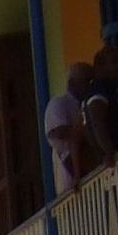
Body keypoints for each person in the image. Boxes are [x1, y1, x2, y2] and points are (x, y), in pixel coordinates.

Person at [44, 61, 94, 192]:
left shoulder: (88, 104)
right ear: (72, 83)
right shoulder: (59, 103)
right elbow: (59, 132)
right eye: (87, 81)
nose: (90, 86)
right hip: (70, 180)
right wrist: (83, 130)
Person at [83, 45, 118, 169]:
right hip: (115, 163)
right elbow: (97, 122)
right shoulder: (98, 89)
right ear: (99, 67)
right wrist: (108, 152)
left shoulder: (105, 90)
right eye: (114, 62)